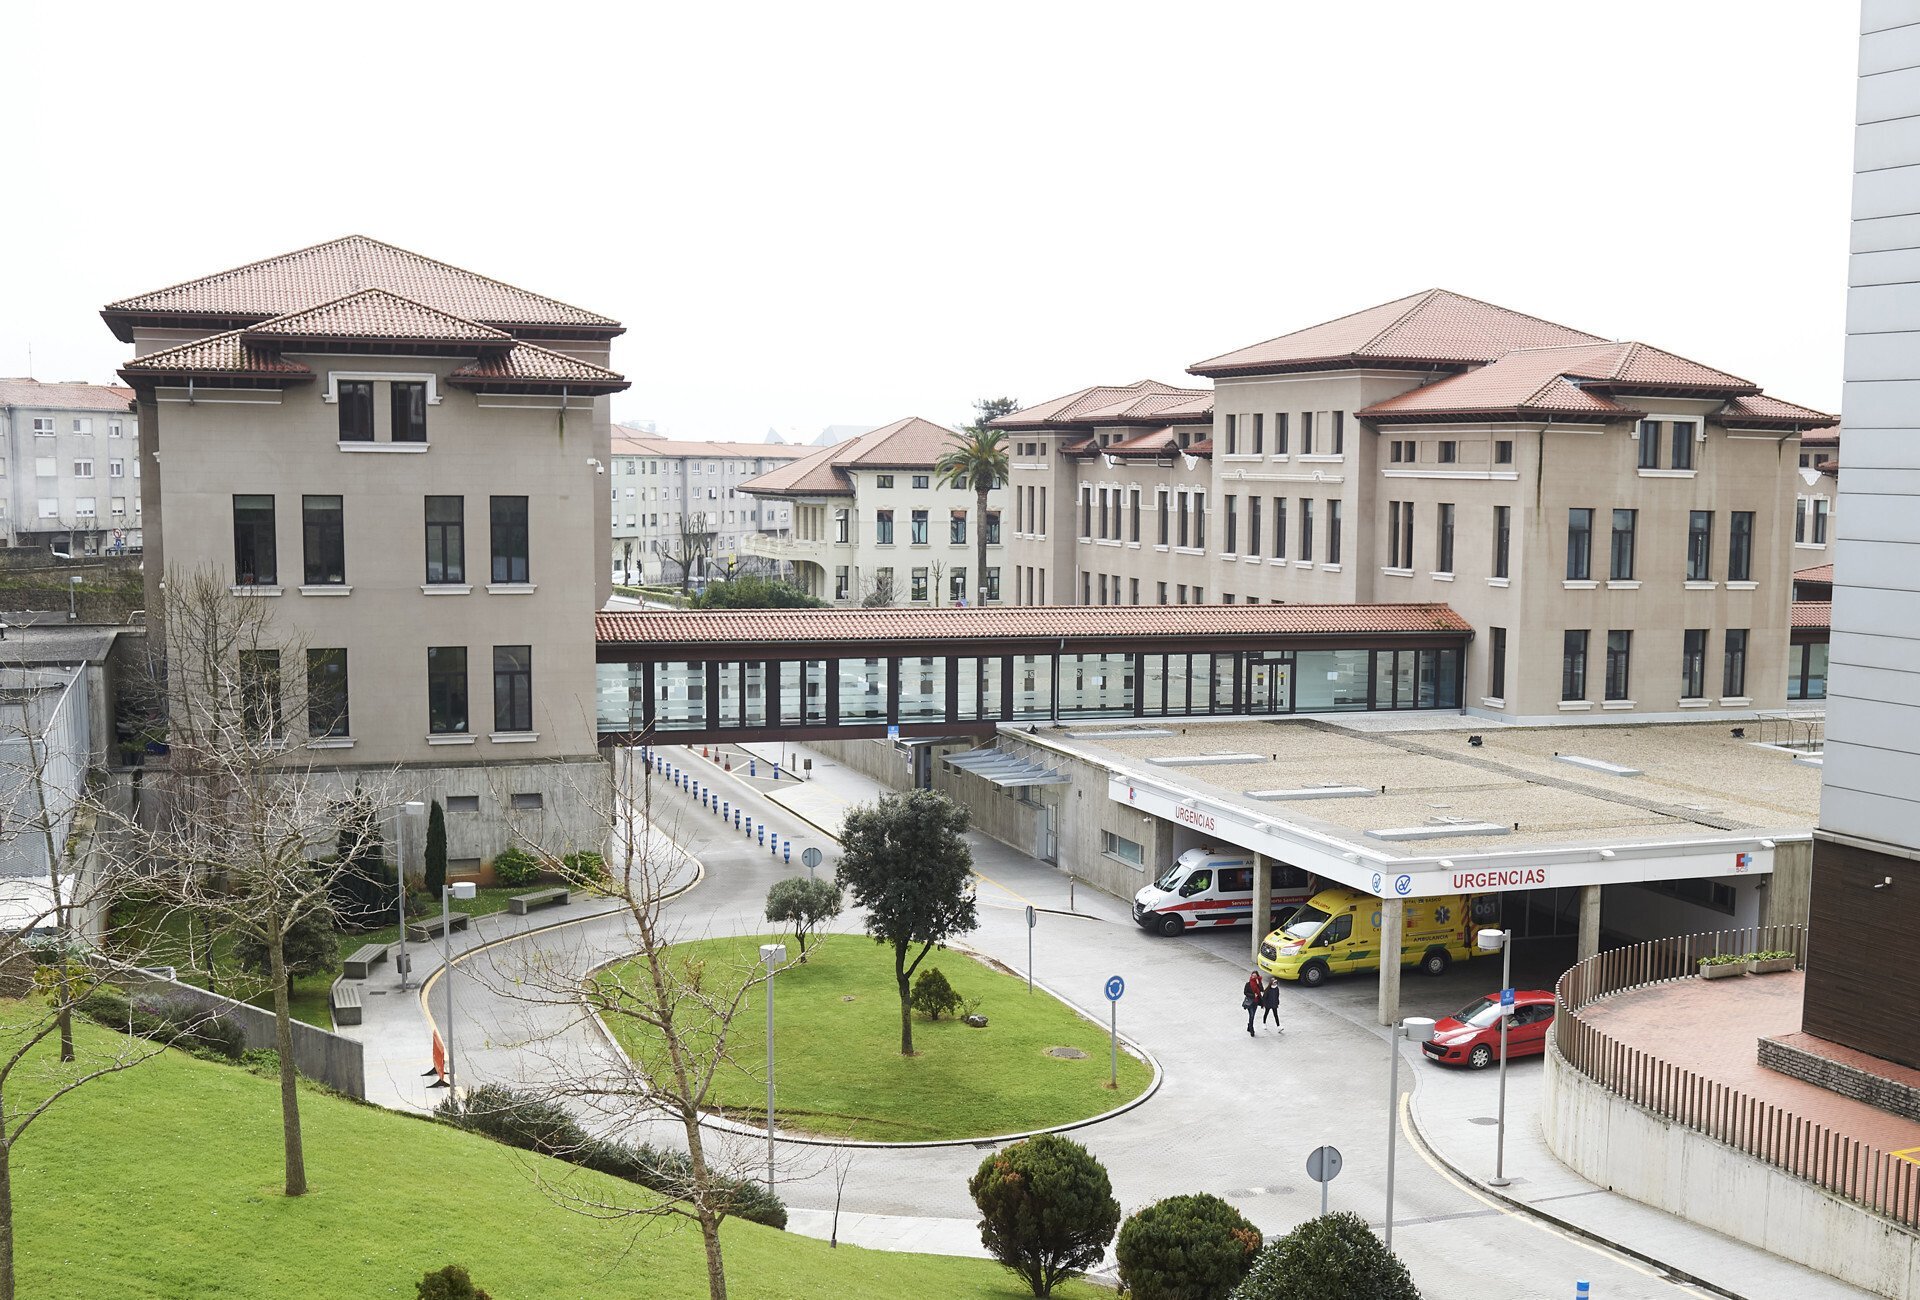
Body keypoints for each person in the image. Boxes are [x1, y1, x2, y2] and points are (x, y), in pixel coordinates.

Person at [1243, 969, 1264, 1037]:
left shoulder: (1258, 983)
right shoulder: (1248, 984)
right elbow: (1245, 992)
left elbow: (1262, 990)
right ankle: (1252, 1030)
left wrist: (1258, 983)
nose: (1253, 977)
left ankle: (1249, 1026)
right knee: (1251, 1016)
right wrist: (1253, 995)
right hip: (1250, 1002)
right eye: (1252, 976)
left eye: (1255, 976)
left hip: (1255, 1002)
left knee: (1252, 1016)